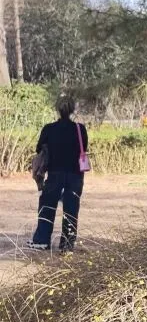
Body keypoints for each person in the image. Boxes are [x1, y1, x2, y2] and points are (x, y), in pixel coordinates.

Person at [29, 96, 89, 252]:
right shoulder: (80, 129)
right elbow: (84, 148)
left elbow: (39, 149)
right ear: (72, 110)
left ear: (58, 109)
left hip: (54, 174)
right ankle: (67, 245)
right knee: (71, 209)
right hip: (75, 175)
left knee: (47, 205)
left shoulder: (49, 129)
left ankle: (42, 240)